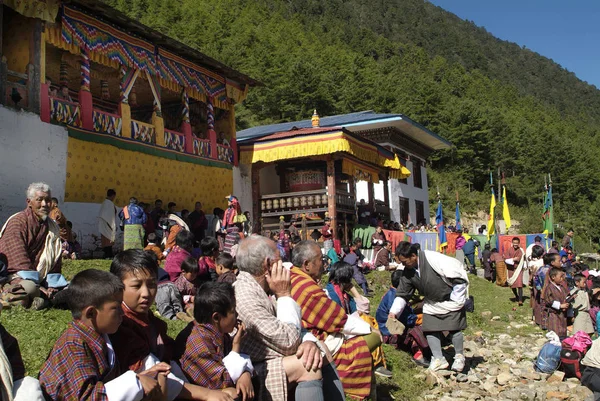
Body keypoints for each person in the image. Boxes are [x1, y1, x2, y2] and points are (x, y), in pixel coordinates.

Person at [109, 249, 236, 401]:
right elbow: (153, 373)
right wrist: (207, 394)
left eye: (151, 284)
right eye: (136, 286)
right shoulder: (120, 325)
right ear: (118, 287)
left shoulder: (152, 321)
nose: (146, 293)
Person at [234, 235, 337, 401]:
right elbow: (289, 342)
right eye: (280, 259)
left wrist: (309, 342)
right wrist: (284, 294)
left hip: (274, 355)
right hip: (251, 372)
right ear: (268, 264)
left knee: (320, 349)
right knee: (308, 364)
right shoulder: (245, 296)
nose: (284, 265)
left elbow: (295, 331)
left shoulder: (262, 288)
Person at [39, 269, 161, 401]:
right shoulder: (73, 344)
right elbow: (86, 397)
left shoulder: (101, 335)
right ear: (91, 313)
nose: (122, 313)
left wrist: (145, 375)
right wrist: (135, 381)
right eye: (116, 308)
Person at [289, 241, 377, 399]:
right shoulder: (308, 288)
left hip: (313, 335)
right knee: (373, 337)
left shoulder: (295, 276)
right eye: (320, 259)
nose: (324, 263)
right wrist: (371, 330)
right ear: (307, 264)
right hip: (314, 340)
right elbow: (339, 320)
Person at [391, 242, 469, 372]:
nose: (403, 265)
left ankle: (459, 357)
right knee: (430, 329)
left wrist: (456, 299)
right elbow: (403, 293)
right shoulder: (408, 272)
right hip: (432, 303)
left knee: (454, 328)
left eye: (404, 261)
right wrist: (393, 312)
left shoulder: (433, 259)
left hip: (450, 300)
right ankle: (439, 358)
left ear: (413, 256)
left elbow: (458, 277)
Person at [175, 282, 254, 399]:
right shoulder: (199, 345)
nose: (237, 315)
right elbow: (224, 382)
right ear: (216, 317)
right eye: (233, 311)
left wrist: (244, 372)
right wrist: (236, 346)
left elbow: (232, 363)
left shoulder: (215, 332)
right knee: (233, 393)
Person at [0, 182, 64, 309]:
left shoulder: (53, 227)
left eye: (48, 200)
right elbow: (17, 257)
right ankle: (39, 298)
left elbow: (55, 260)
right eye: (39, 200)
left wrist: (52, 285)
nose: (45, 204)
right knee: (29, 288)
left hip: (41, 279)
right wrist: (38, 286)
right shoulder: (18, 222)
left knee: (70, 288)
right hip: (18, 276)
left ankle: (43, 297)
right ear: (29, 202)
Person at [325, 261, 392, 380]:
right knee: (367, 322)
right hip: (338, 330)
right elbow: (343, 317)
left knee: (367, 318)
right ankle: (374, 362)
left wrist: (353, 290)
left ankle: (375, 361)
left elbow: (364, 308)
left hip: (347, 325)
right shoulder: (330, 294)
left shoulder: (343, 293)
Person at [376, 270, 430, 367]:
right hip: (388, 331)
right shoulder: (395, 297)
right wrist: (420, 318)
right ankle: (418, 355)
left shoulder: (391, 293)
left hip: (385, 328)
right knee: (416, 329)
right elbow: (406, 319)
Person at [533, 253, 561, 329]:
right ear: (552, 262)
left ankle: (543, 324)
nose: (561, 263)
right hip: (550, 293)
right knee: (551, 309)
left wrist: (540, 289)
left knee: (544, 309)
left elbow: (535, 279)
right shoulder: (553, 272)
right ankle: (550, 324)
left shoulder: (541, 269)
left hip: (542, 292)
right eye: (559, 261)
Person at [542, 267, 569, 338]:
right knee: (555, 333)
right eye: (560, 277)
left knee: (563, 332)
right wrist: (560, 306)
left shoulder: (561, 287)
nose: (562, 279)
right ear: (553, 277)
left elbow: (565, 296)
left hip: (562, 314)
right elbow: (549, 301)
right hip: (554, 315)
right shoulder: (549, 288)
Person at [503, 237, 525, 306]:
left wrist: (513, 259)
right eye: (514, 243)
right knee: (512, 284)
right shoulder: (509, 250)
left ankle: (520, 300)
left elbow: (519, 258)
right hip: (510, 269)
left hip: (518, 269)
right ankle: (516, 296)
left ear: (518, 243)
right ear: (512, 243)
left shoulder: (520, 251)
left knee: (519, 284)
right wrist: (511, 259)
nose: (515, 244)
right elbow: (505, 257)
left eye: (516, 243)